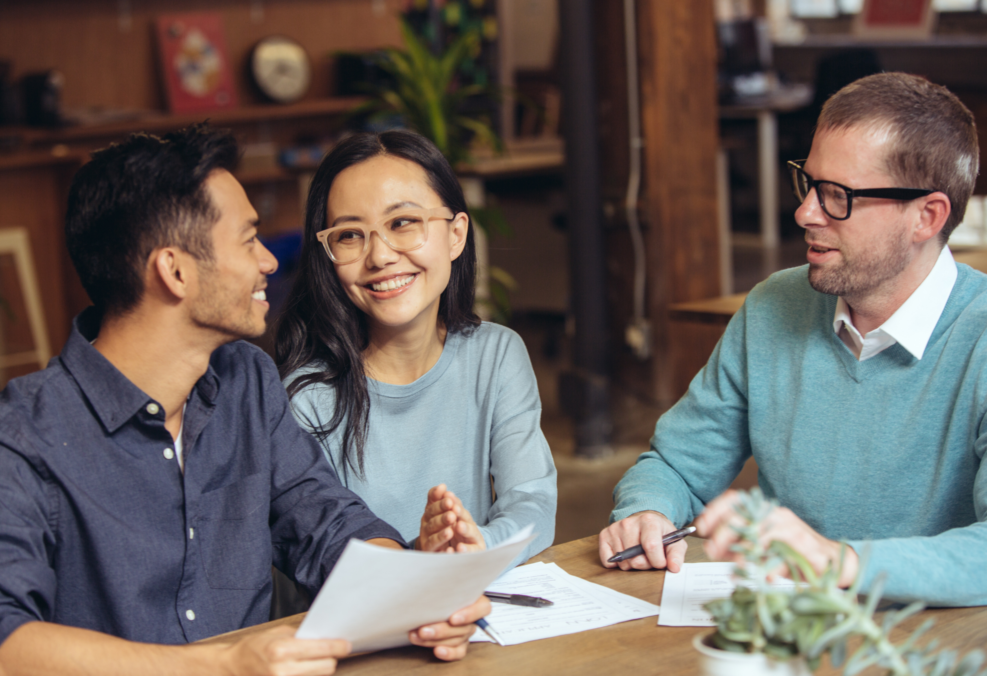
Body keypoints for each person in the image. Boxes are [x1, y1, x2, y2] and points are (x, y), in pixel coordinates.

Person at [0, 124, 489, 676]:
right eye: (248, 240)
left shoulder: (245, 384)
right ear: (175, 270)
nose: (268, 261)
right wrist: (223, 666)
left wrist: (416, 595)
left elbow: (327, 524)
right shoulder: (12, 444)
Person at [599, 72, 986, 607]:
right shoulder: (772, 306)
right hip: (789, 640)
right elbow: (678, 465)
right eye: (809, 184)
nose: (805, 213)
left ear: (927, 215)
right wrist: (647, 511)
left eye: (838, 197)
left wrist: (834, 561)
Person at [275, 130, 556, 562]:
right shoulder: (306, 397)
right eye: (350, 235)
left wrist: (479, 545)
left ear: (457, 235)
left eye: (402, 223)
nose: (380, 256)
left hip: (470, 604)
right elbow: (320, 553)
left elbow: (532, 500)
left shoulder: (496, 356)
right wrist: (421, 556)